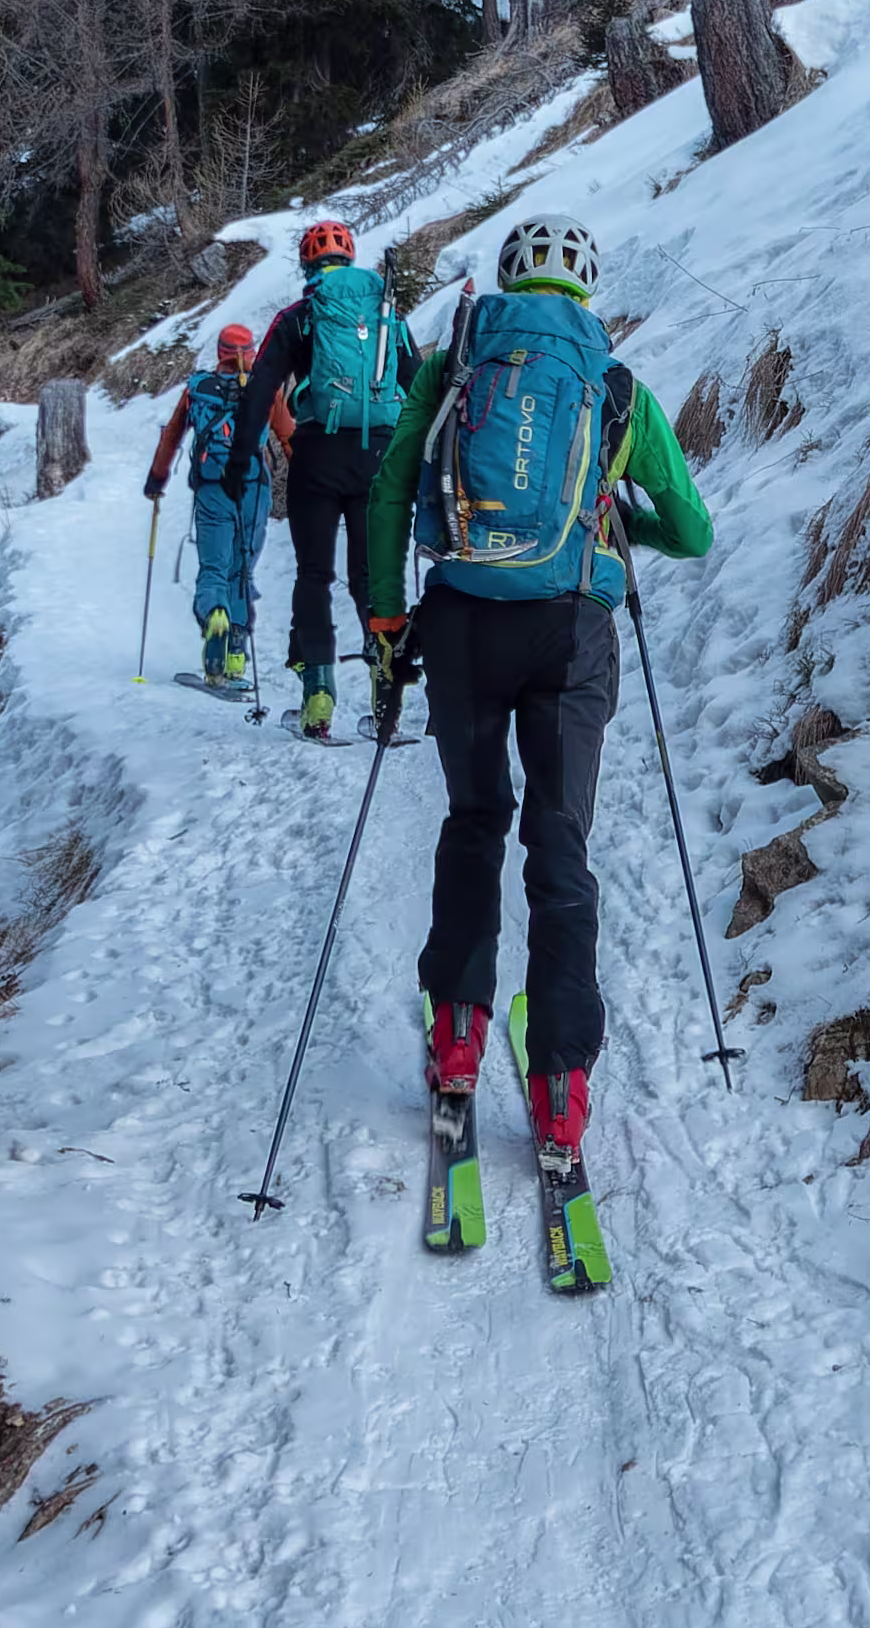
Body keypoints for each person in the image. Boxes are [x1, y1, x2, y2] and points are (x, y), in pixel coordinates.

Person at [354, 209, 712, 1291]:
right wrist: (612, 518)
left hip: (462, 622)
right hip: (572, 631)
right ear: (589, 290)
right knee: (561, 854)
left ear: (509, 280)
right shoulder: (614, 386)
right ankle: (559, 1089)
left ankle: (456, 1042)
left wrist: (382, 626)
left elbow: (388, 491)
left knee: (473, 826)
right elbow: (691, 529)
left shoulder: (461, 356)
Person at [212, 218, 409, 742]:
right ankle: (385, 693)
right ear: (350, 259)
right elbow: (416, 387)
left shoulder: (301, 316)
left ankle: (318, 697)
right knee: (372, 578)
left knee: (314, 576)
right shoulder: (387, 314)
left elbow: (260, 392)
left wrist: (239, 461)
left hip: (317, 454)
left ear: (307, 264)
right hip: (379, 459)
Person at [141, 323, 273, 695]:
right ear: (251, 350)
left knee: (214, 568)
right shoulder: (266, 386)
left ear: (220, 353)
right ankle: (235, 655)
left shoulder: (198, 389)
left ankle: (215, 616)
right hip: (253, 489)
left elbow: (172, 437)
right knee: (242, 570)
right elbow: (289, 436)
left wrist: (156, 480)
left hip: (212, 487)